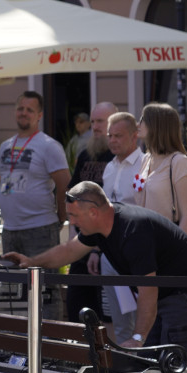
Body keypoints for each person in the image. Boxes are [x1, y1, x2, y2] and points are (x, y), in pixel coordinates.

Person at [4, 181, 187, 373]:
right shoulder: (100, 228)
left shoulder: (133, 229)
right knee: (147, 361)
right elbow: (69, 250)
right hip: (165, 292)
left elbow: (148, 290)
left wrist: (139, 336)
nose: (71, 221)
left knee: (175, 357)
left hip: (186, 290)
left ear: (93, 212)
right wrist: (32, 262)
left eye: (74, 215)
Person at [0, 90, 70, 320]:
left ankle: (51, 346)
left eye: (30, 110)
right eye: (20, 108)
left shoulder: (49, 146)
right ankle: (20, 345)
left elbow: (64, 185)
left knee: (47, 291)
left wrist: (61, 217)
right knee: (12, 292)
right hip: (10, 229)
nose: (24, 113)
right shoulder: (5, 146)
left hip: (40, 229)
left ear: (38, 115)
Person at [65, 102, 118, 321]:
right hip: (81, 242)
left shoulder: (119, 157)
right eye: (93, 121)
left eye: (100, 121)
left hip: (108, 247)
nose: (95, 126)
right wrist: (71, 231)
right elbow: (71, 192)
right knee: (76, 308)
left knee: (106, 315)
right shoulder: (86, 154)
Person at [98, 112, 144, 343]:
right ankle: (126, 367)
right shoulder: (109, 167)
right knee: (119, 317)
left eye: (119, 135)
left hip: (136, 251)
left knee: (140, 319)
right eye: (110, 135)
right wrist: (98, 250)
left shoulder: (145, 165)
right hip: (110, 250)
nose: (113, 140)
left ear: (135, 136)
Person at [134, 102, 187, 234]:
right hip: (144, 237)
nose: (137, 124)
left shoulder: (179, 162)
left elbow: (186, 217)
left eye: (142, 120)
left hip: (168, 240)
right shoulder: (146, 159)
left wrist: (177, 249)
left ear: (156, 125)